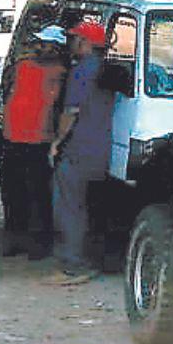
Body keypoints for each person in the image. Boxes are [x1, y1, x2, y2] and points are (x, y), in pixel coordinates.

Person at [47, 20, 114, 286]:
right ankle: (84, 259)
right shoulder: (106, 71)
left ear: (86, 43)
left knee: (68, 206)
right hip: (100, 149)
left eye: (75, 39)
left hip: (78, 148)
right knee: (84, 207)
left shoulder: (82, 72)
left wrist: (57, 141)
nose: (71, 44)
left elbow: (70, 112)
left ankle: (72, 264)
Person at [0, 25, 68, 260]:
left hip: (40, 138)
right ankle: (15, 239)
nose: (41, 47)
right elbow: (7, 94)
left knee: (37, 193)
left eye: (47, 44)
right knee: (13, 191)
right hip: (12, 135)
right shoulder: (22, 66)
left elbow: (63, 108)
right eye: (41, 43)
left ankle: (38, 243)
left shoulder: (61, 72)